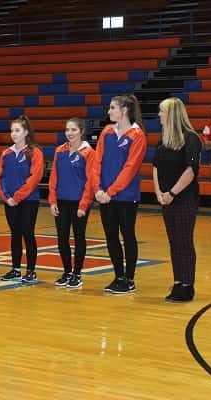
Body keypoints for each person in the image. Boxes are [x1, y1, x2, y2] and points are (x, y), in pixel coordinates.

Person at [93, 95, 147, 294]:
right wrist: (97, 189)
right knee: (110, 236)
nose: (109, 111)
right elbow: (97, 161)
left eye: (112, 108)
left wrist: (111, 191)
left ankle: (129, 279)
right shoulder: (107, 131)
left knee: (127, 235)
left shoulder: (137, 135)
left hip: (126, 195)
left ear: (124, 110)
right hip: (104, 195)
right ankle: (118, 276)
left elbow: (130, 168)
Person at [154, 97, 202, 302]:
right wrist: (159, 193)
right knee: (173, 241)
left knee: (184, 240)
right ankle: (177, 282)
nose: (159, 114)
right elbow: (155, 167)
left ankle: (187, 285)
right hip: (167, 199)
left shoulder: (191, 139)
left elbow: (191, 170)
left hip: (184, 198)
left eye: (162, 111)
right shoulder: (163, 141)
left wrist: (172, 193)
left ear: (172, 114)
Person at [48, 118, 95, 288]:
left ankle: (77, 273)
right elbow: (54, 176)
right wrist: (52, 200)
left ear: (81, 131)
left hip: (79, 203)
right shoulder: (59, 151)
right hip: (61, 201)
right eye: (67, 129)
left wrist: (83, 205)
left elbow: (90, 181)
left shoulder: (89, 152)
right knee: (62, 238)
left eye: (74, 129)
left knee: (79, 237)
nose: (70, 133)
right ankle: (67, 271)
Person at [0, 116, 44, 283]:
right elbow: (1, 177)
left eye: (17, 130)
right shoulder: (6, 154)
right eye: (12, 131)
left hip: (29, 201)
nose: (14, 134)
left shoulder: (35, 152)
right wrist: (7, 197)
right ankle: (15, 269)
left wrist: (17, 197)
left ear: (25, 132)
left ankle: (31, 271)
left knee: (27, 234)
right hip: (10, 202)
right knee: (15, 235)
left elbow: (34, 178)